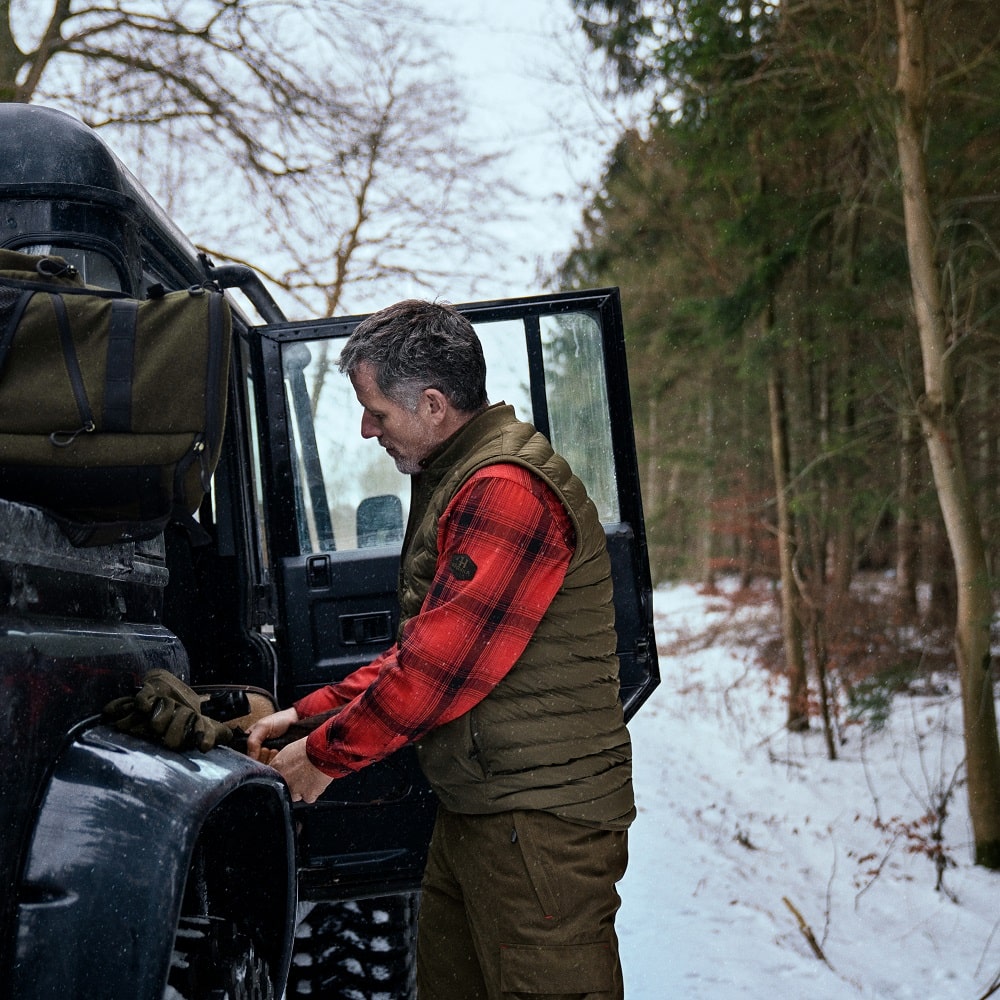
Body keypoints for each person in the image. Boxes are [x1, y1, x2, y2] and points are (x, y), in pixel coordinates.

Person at [246, 299, 635, 1000]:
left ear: (431, 404)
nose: (367, 430)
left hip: (538, 824)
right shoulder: (460, 478)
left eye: (377, 413)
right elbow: (420, 648)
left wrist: (325, 757)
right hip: (483, 812)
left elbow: (437, 673)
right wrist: (306, 715)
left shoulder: (506, 490)